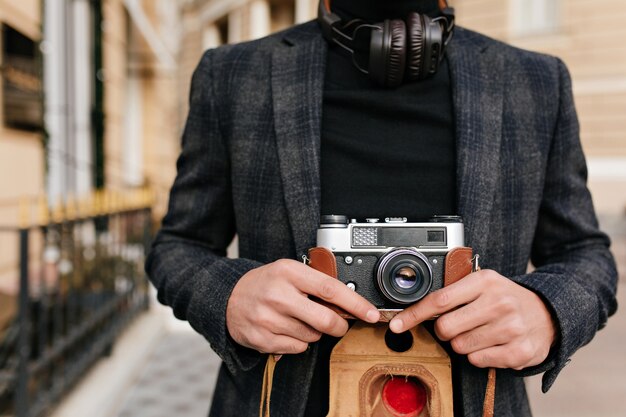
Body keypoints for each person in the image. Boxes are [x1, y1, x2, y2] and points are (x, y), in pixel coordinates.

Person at [145, 0, 618, 415]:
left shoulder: (536, 81)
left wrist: (546, 311)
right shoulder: (232, 75)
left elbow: (586, 253)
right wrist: (230, 296)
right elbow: (178, 246)